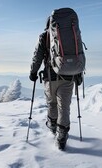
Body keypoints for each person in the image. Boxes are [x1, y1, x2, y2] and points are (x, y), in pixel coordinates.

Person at [29, 17, 82, 150]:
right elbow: (79, 54)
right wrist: (79, 74)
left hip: (50, 77)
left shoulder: (44, 36)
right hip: (69, 77)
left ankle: (53, 126)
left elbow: (37, 56)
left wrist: (33, 72)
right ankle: (62, 136)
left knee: (52, 104)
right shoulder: (72, 34)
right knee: (64, 107)